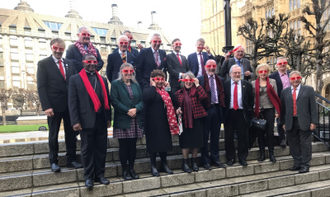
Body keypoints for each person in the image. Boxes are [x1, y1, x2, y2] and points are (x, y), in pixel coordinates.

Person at [37, 38, 82, 172]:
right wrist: (46, 106)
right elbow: (41, 86)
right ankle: (53, 161)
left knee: (71, 134)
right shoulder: (43, 63)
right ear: (51, 47)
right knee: (53, 134)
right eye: (56, 48)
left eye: (61, 49)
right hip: (53, 107)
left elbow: (74, 85)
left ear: (64, 49)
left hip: (70, 106)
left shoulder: (69, 63)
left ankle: (71, 159)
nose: (58, 51)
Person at [68, 53, 111, 190]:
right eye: (89, 61)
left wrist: (109, 118)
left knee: (101, 149)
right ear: (83, 62)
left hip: (101, 120)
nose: (92, 64)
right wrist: (75, 121)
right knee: (86, 150)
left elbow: (107, 100)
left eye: (94, 61)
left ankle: (100, 175)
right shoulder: (75, 79)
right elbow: (72, 102)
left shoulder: (103, 79)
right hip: (85, 121)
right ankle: (88, 177)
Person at [110, 63, 143, 180]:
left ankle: (131, 169)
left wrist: (136, 109)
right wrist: (127, 110)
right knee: (124, 146)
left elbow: (142, 100)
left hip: (135, 119)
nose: (128, 73)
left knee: (133, 146)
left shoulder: (136, 85)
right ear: (121, 72)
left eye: (130, 71)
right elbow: (114, 100)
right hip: (123, 119)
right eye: (126, 71)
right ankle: (124, 170)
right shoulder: (115, 84)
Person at [143, 70, 179, 176]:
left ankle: (164, 164)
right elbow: (148, 98)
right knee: (153, 144)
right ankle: (153, 165)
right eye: (157, 79)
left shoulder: (165, 90)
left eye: (161, 79)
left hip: (164, 121)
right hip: (152, 122)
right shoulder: (148, 88)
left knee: (164, 143)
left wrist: (168, 87)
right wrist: (153, 86)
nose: (159, 81)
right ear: (152, 79)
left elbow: (175, 100)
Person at [281, 71, 317, 173]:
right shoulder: (284, 92)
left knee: (305, 144)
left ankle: (305, 164)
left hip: (304, 121)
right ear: (289, 80)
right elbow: (283, 109)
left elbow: (313, 107)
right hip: (290, 122)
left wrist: (314, 122)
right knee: (293, 143)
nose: (295, 80)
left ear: (300, 78)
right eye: (293, 78)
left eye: (297, 77)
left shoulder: (308, 90)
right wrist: (283, 122)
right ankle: (297, 163)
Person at [175, 72, 208, 173]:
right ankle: (185, 162)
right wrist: (177, 110)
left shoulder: (197, 91)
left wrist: (198, 85)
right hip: (184, 120)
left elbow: (204, 97)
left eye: (190, 80)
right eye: (186, 80)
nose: (188, 83)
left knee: (196, 141)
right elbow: (175, 106)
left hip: (196, 118)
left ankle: (194, 161)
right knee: (185, 142)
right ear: (183, 81)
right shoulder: (178, 93)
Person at [198, 59, 226, 170]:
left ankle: (215, 158)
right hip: (205, 110)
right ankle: (205, 160)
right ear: (205, 67)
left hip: (217, 109)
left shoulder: (221, 80)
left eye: (213, 65)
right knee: (204, 136)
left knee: (215, 136)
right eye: (209, 66)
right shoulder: (200, 79)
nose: (211, 68)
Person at [223, 65, 254, 166]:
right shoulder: (225, 85)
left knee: (243, 136)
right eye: (235, 73)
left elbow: (251, 100)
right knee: (229, 137)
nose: (237, 75)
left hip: (242, 113)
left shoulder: (247, 85)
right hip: (229, 113)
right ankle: (231, 158)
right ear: (230, 74)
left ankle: (242, 157)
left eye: (239, 73)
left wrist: (249, 112)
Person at [250, 63, 281, 163]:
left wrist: (277, 111)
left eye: (265, 71)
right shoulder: (253, 83)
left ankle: (271, 153)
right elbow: (252, 97)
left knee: (269, 132)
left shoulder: (273, 81)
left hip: (270, 109)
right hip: (259, 110)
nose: (263, 73)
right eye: (261, 71)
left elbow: (276, 97)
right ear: (258, 73)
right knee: (260, 132)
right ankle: (262, 153)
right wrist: (255, 108)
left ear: (267, 72)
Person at [269, 57, 291, 147]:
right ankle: (282, 139)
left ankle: (289, 139)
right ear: (277, 65)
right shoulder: (272, 77)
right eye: (280, 63)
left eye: (284, 63)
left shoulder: (291, 74)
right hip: (279, 101)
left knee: (290, 119)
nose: (282, 65)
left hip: (291, 100)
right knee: (280, 121)